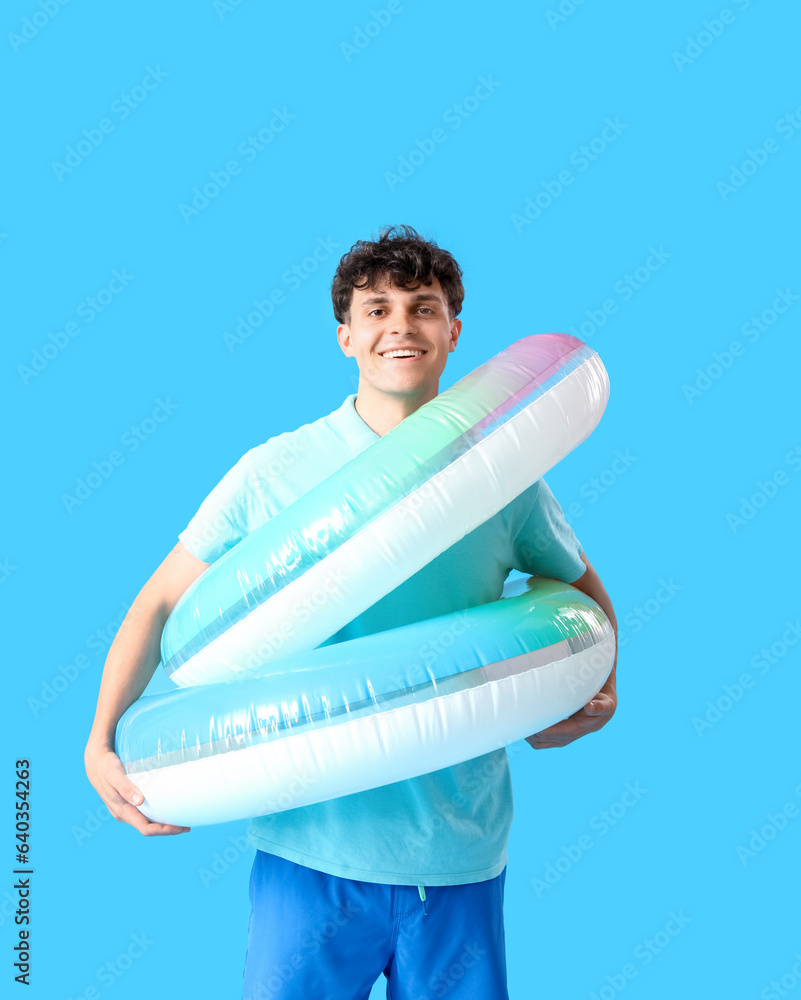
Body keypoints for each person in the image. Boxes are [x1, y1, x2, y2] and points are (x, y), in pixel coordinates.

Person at [84, 224, 617, 1000]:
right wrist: (101, 741)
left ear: (453, 332)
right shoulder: (274, 470)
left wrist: (594, 693)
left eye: (422, 308)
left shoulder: (508, 476)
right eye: (376, 310)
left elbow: (583, 595)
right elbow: (159, 602)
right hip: (311, 857)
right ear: (344, 337)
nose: (400, 326)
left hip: (458, 855)